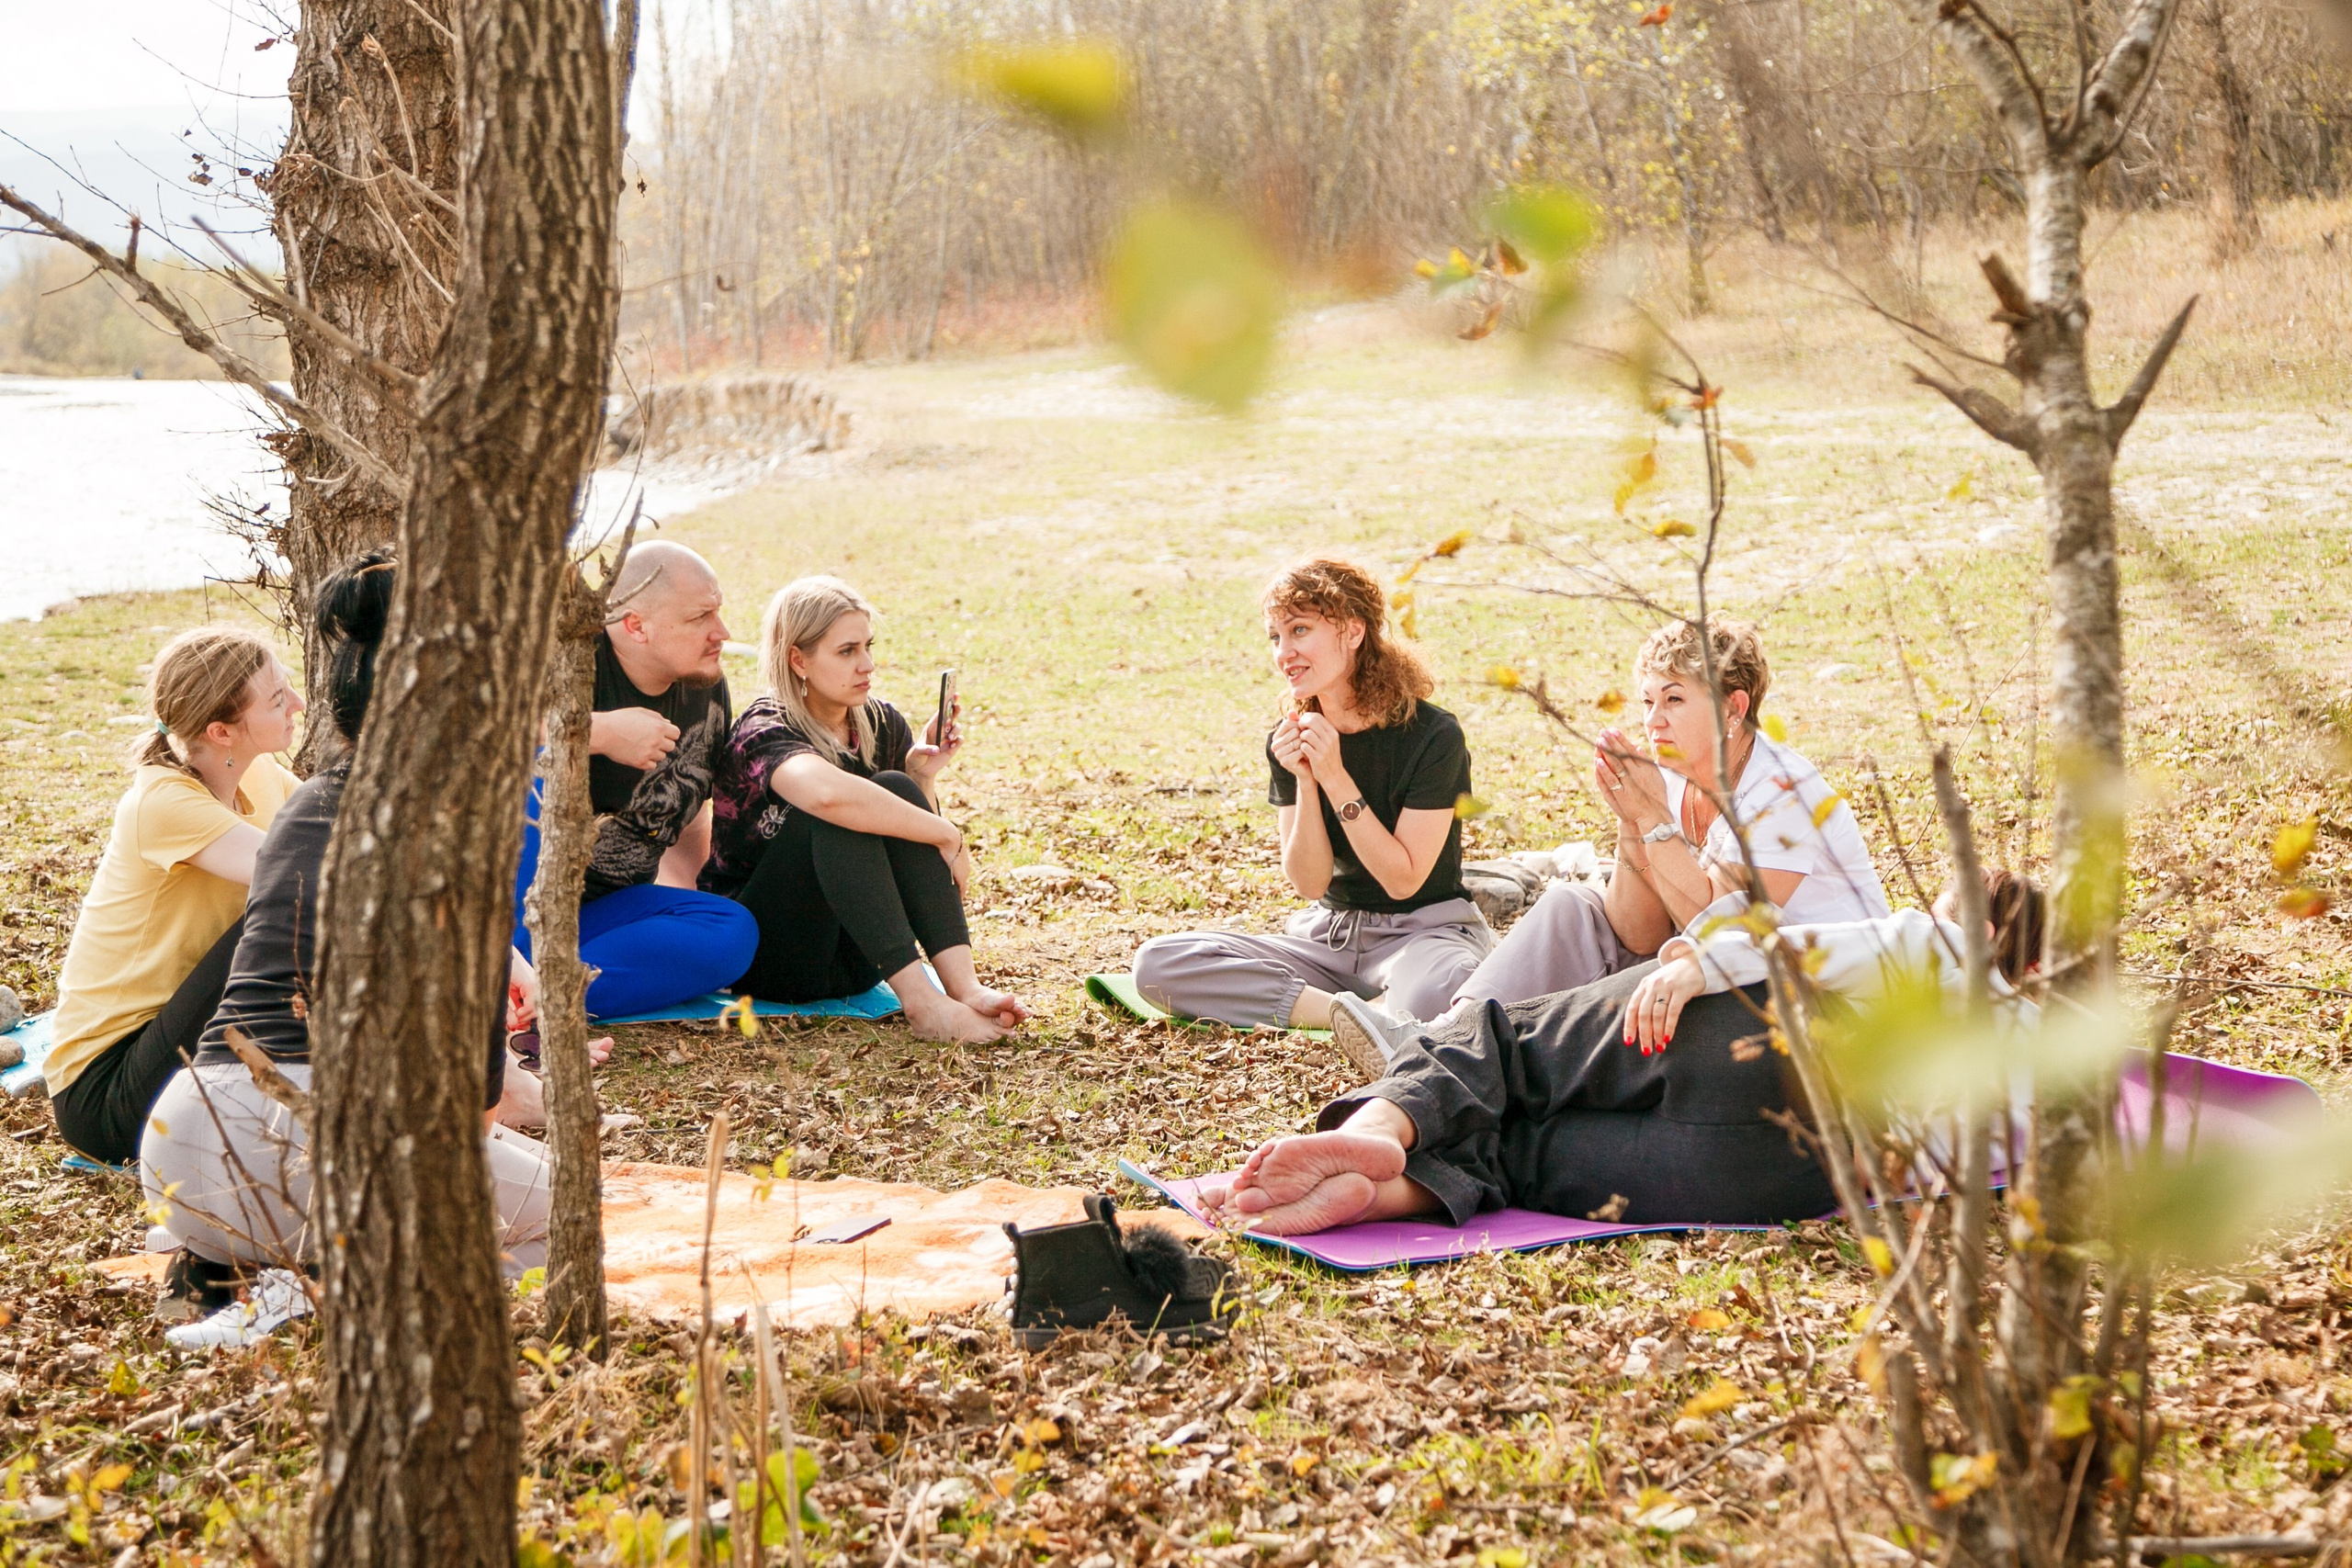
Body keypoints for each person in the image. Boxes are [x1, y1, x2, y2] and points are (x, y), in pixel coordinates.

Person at [1205, 871, 2046, 1236]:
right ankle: (1383, 1195)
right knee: (1523, 1162)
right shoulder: (2041, 1069)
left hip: (1756, 1038)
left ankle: (1387, 1125)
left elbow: (1797, 946)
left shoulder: (1938, 941)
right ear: (2038, 969)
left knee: (1514, 1045)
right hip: (1790, 1175)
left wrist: (1694, 967)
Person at [141, 552, 549, 1287]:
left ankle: (253, 1271)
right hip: (302, 1143)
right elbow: (474, 1111)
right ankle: (319, 1292)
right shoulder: (450, 828)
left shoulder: (305, 800)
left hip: (179, 1147)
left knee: (524, 1176)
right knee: (567, 1218)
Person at [1416, 615, 1888, 1031]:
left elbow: (1721, 936)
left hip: (1822, 1001)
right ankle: (1451, 1032)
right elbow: (1637, 932)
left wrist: (1652, 817)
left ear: (1734, 708)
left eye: (1675, 699)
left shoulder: (1782, 794)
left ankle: (1489, 1049)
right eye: (1647, 702)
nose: (1653, 721)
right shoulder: (1677, 775)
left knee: (1649, 972)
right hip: (1723, 969)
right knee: (1572, 905)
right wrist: (1631, 823)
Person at [1131, 558, 1492, 1035]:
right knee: (1159, 964)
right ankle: (1363, 1018)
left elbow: (1403, 881)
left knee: (1441, 993)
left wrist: (1335, 776)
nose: (1284, 652)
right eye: (1275, 637)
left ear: (1353, 632)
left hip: (1423, 934)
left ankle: (1379, 1010)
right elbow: (1309, 883)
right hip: (1330, 938)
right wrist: (1305, 779)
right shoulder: (1292, 737)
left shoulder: (1432, 735)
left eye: (1300, 630)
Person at [701, 576, 1027, 1043]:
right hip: (772, 957)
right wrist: (947, 833)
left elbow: (908, 852)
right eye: (847, 651)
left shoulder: (880, 722)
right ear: (799, 660)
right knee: (840, 811)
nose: (867, 665)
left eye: (868, 647)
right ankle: (923, 1005)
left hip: (862, 960)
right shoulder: (762, 728)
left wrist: (922, 779)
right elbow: (829, 797)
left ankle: (964, 988)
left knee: (893, 786)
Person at [44, 627, 304, 1166]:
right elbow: (321, 877)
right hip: (106, 1095)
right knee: (293, 907)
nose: (298, 704)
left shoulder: (259, 776)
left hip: (186, 1042)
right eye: (279, 698)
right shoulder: (161, 804)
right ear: (221, 731)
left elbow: (357, 843)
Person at [511, 540, 759, 1018]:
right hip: (506, 911)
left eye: (719, 613)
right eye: (699, 618)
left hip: (598, 914)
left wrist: (687, 916)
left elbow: (690, 813)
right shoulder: (567, 658)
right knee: (534, 772)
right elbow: (473, 734)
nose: (722, 633)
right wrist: (596, 732)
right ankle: (509, 978)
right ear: (635, 626)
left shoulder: (704, 687)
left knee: (732, 931)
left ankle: (540, 998)